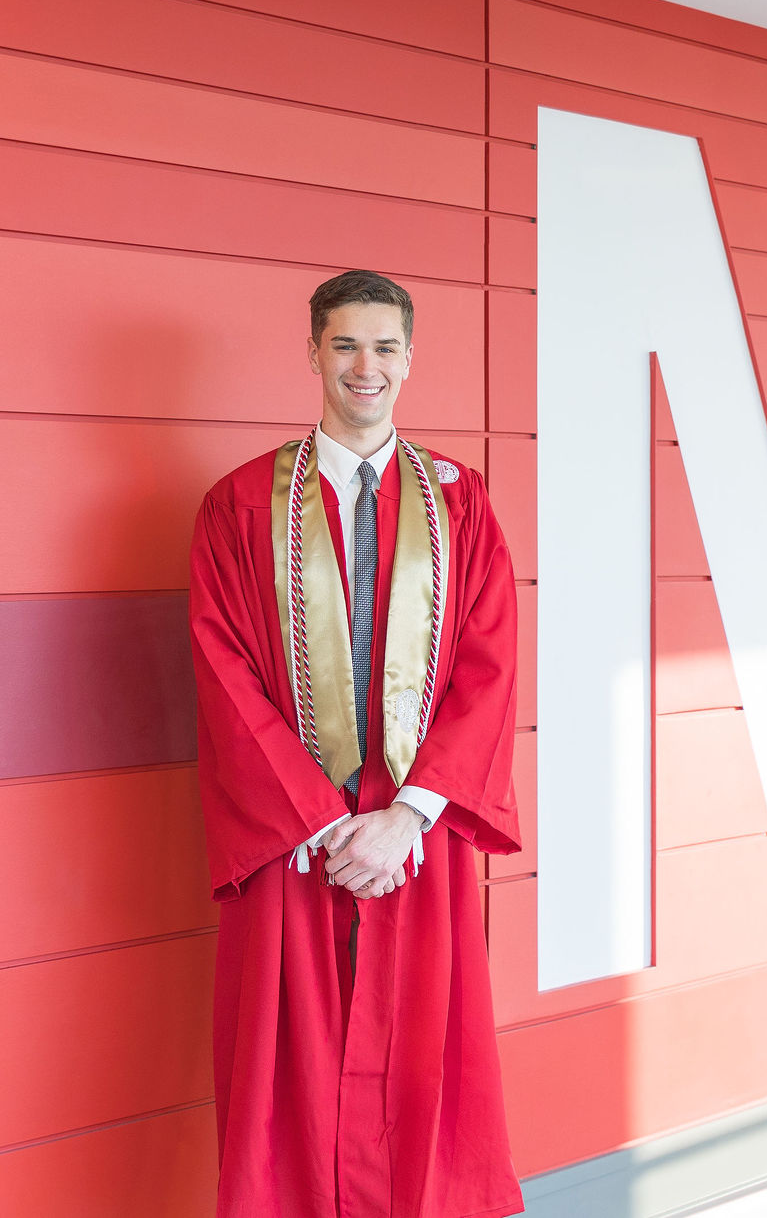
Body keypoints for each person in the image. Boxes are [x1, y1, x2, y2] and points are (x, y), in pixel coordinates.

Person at [188, 269, 525, 1217]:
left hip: (417, 839)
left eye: (383, 347)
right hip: (296, 837)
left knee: (424, 1058)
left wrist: (407, 815)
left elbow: (490, 667)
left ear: (409, 359)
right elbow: (224, 673)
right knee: (285, 1066)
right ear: (313, 354)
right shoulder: (240, 506)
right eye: (344, 345)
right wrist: (322, 820)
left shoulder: (463, 503)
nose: (364, 366)